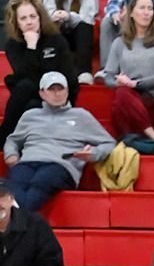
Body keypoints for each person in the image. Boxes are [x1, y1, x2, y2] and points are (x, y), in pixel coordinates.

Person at [4, 73, 114, 216]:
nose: (57, 93)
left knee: (41, 182)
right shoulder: (30, 116)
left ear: (67, 92)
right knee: (15, 185)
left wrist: (93, 153)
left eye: (60, 89)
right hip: (28, 162)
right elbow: (12, 140)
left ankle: (19, 225)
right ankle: (23, 227)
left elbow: (109, 142)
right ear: (42, 93)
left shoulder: (81, 116)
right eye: (51, 89)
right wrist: (11, 154)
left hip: (60, 165)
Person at [102, 0, 154, 153]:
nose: (147, 12)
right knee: (121, 95)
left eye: (150, 8)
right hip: (130, 96)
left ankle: (128, 144)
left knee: (120, 103)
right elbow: (108, 77)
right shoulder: (119, 42)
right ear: (131, 13)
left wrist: (135, 84)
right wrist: (118, 82)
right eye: (142, 8)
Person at [3, 0, 74, 148]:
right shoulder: (13, 46)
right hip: (31, 97)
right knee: (31, 101)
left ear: (40, 17)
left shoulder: (57, 41)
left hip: (57, 95)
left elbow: (68, 78)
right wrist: (31, 46)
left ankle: (4, 136)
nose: (29, 22)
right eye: (23, 18)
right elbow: (27, 75)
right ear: (16, 23)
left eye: (33, 16)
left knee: (25, 87)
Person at [44, 0, 98, 82]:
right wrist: (56, 15)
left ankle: (84, 72)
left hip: (80, 35)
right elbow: (47, 11)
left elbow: (88, 16)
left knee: (84, 26)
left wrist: (69, 16)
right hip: (60, 31)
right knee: (52, 26)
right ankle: (55, 71)